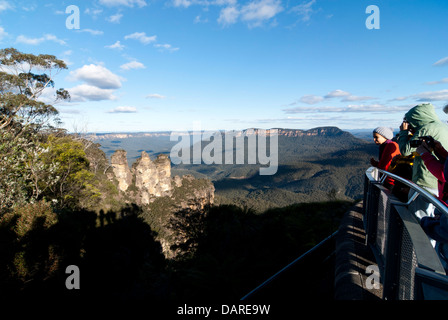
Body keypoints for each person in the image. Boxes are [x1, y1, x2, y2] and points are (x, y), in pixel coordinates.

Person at [398, 103, 448, 219]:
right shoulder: (444, 126)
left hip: (424, 181)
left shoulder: (426, 129)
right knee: (435, 219)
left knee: (420, 219)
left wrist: (404, 132)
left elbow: (405, 150)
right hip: (440, 183)